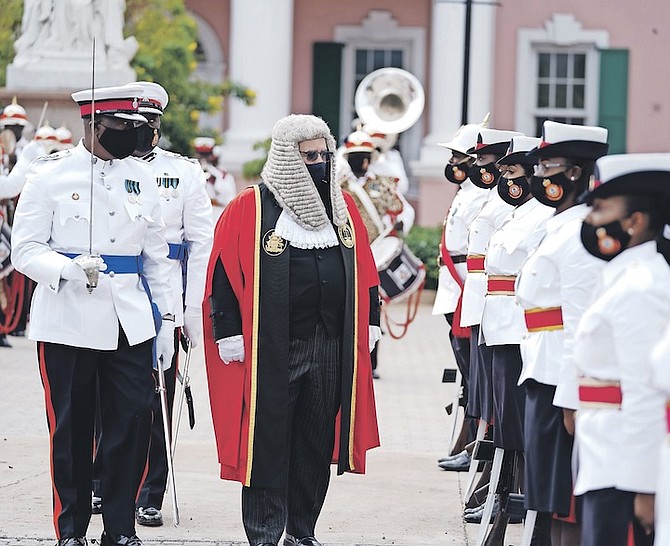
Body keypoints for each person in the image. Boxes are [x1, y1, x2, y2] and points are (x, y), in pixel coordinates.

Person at [202, 114, 381, 546]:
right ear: (287, 158)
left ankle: (303, 531)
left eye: (324, 154)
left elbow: (366, 272)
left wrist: (370, 324)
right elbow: (222, 272)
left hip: (329, 344)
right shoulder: (251, 205)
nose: (320, 163)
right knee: (268, 442)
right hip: (272, 347)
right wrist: (229, 332)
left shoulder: (343, 207)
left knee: (315, 444)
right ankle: (264, 534)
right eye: (309, 156)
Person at [10, 84, 176, 546]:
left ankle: (120, 530)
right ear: (94, 124)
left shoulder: (141, 178)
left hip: (130, 318)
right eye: (122, 128)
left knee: (131, 425)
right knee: (72, 429)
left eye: (135, 128)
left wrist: (169, 321)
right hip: (68, 317)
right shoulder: (49, 176)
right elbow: (24, 249)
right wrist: (64, 268)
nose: (131, 137)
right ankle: (72, 530)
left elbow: (158, 257)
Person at [515, 121, 608, 546]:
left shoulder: (578, 233)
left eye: (547, 166)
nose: (537, 176)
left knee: (562, 497)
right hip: (543, 366)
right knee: (547, 492)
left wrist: (571, 396)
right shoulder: (560, 226)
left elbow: (579, 322)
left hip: (559, 378)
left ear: (574, 173)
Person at [571, 153, 670, 546]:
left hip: (623, 461)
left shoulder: (643, 287)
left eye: (600, 209)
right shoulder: (623, 275)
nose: (591, 220)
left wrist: (642, 485)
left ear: (635, 222)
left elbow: (645, 391)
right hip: (604, 449)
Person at [476, 135, 552, 544]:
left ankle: (517, 504)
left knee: (520, 428)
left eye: (512, 171)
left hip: (521, 331)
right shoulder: (517, 213)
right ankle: (504, 499)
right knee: (506, 426)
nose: (504, 179)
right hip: (499, 325)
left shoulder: (542, 217)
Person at [432, 122, 489, 462]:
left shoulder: (481, 194)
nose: (453, 163)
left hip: (466, 281)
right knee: (467, 368)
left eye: (458, 156)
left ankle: (474, 446)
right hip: (455, 283)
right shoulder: (467, 191)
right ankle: (468, 442)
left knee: (474, 372)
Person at [193, 136, 237, 220]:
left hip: (215, 214)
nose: (204, 158)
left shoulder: (222, 175)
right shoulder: (190, 171)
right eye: (201, 155)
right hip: (196, 215)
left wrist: (214, 181)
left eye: (207, 155)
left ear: (211, 155)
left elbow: (229, 199)